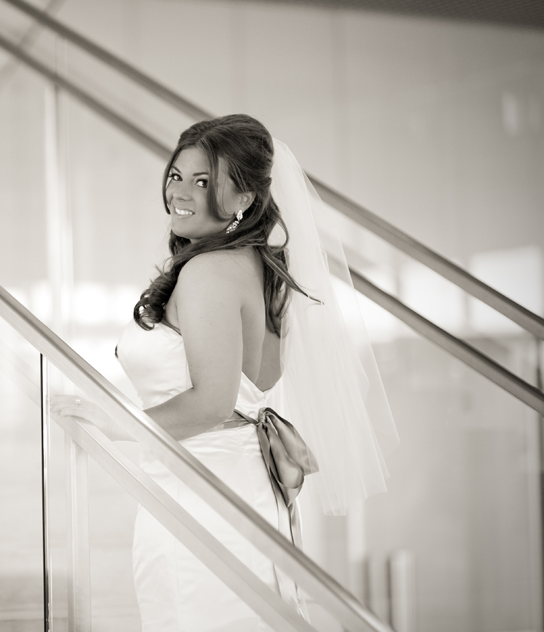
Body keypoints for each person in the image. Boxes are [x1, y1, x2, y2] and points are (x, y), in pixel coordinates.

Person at [52, 114, 396, 631]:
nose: (180, 192)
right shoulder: (259, 266)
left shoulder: (208, 271)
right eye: (177, 176)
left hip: (201, 495)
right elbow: (252, 384)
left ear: (244, 199)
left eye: (203, 181)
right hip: (242, 488)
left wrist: (108, 419)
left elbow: (212, 402)